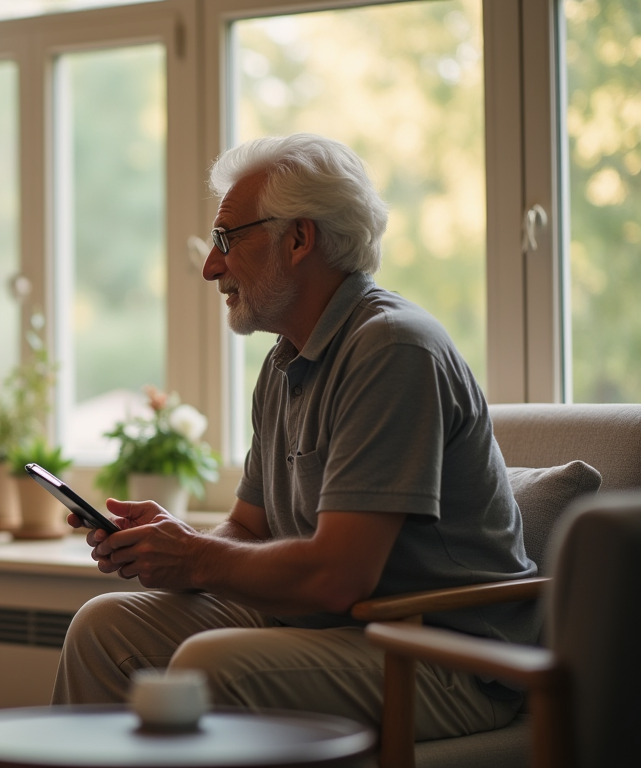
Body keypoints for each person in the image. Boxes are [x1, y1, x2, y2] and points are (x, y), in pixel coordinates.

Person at [53, 134, 536, 741]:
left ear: (299, 239)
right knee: (104, 627)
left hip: (446, 656)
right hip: (329, 626)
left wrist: (197, 557)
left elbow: (339, 575)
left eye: (227, 238)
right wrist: (169, 547)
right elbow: (249, 532)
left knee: (210, 665)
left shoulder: (393, 348)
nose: (209, 265)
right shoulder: (286, 361)